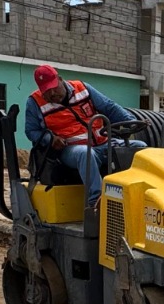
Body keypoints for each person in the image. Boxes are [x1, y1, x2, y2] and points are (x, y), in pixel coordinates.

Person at [24, 64, 145, 209]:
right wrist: (50, 139)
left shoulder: (83, 88)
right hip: (71, 150)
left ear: (60, 79)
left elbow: (109, 107)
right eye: (47, 92)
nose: (52, 94)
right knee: (85, 153)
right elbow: (31, 131)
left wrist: (131, 121)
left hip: (102, 143)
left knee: (140, 148)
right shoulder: (34, 102)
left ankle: (139, 197)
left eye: (54, 88)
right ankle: (96, 202)